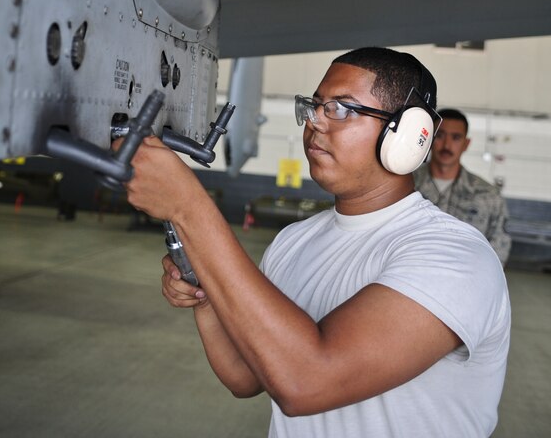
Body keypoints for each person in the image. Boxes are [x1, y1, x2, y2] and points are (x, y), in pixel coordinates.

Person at [121, 47, 510, 437]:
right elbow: (246, 375)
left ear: (408, 135)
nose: (315, 124)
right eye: (314, 106)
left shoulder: (457, 257)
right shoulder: (293, 241)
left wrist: (191, 207)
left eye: (341, 109)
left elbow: (307, 382)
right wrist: (204, 294)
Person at [414, 108, 512, 265]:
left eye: (456, 138)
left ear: (466, 144)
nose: (447, 145)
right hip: (408, 279)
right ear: (429, 139)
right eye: (439, 136)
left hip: (463, 284)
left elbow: (499, 248)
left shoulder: (487, 195)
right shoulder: (405, 185)